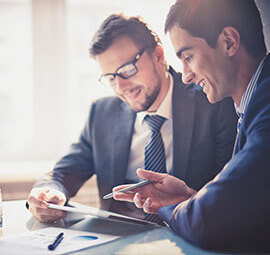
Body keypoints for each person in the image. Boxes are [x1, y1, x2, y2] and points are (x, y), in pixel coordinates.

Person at [27, 13, 237, 225]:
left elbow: (229, 196)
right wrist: (47, 192)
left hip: (186, 235)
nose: (121, 87)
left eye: (127, 70)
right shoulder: (102, 113)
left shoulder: (213, 102)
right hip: (116, 241)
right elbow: (64, 172)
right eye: (110, 78)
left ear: (158, 55)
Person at [113, 0, 270, 252]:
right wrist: (190, 197)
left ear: (229, 42)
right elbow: (246, 206)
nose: (185, 76)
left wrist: (171, 206)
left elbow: (206, 223)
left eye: (188, 57)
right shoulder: (251, 104)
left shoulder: (265, 109)